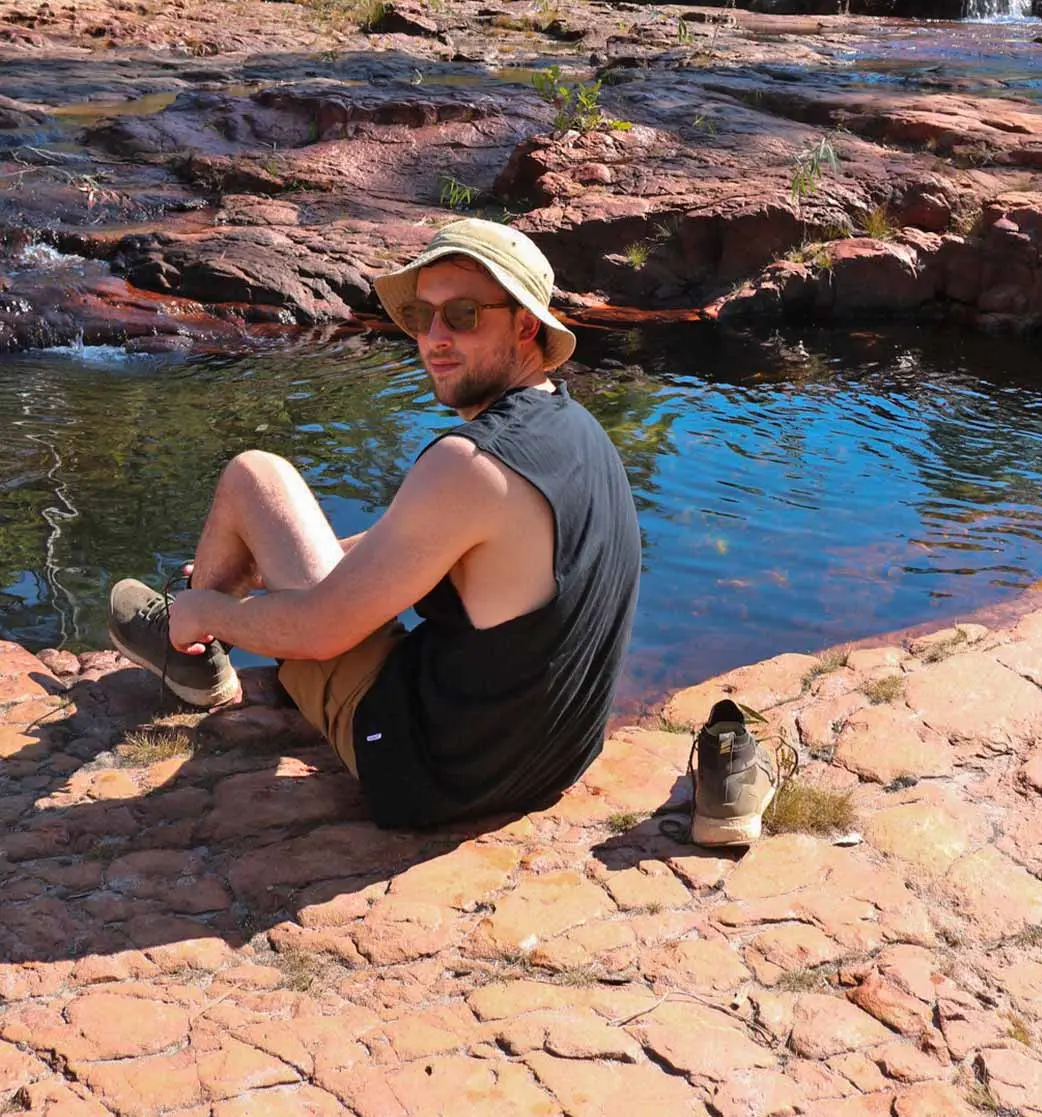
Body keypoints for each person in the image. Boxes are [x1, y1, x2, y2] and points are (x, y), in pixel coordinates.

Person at [107, 219, 642, 830]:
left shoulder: (469, 463)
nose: (436, 337)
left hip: (432, 773)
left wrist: (212, 607)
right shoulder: (575, 431)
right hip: (549, 761)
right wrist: (278, 569)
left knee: (254, 476)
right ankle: (206, 619)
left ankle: (192, 650)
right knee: (289, 533)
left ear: (525, 326)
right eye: (423, 316)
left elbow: (319, 633)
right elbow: (424, 544)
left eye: (464, 315)